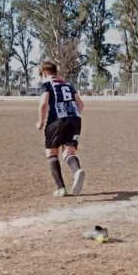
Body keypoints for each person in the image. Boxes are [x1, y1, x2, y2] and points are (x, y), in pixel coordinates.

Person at [36, 60, 86, 197]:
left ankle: (61, 188)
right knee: (69, 152)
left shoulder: (47, 84)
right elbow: (80, 104)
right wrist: (73, 116)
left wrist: (40, 122)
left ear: (45, 73)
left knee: (52, 154)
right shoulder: (69, 84)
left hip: (57, 120)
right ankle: (76, 172)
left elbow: (43, 103)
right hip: (75, 118)